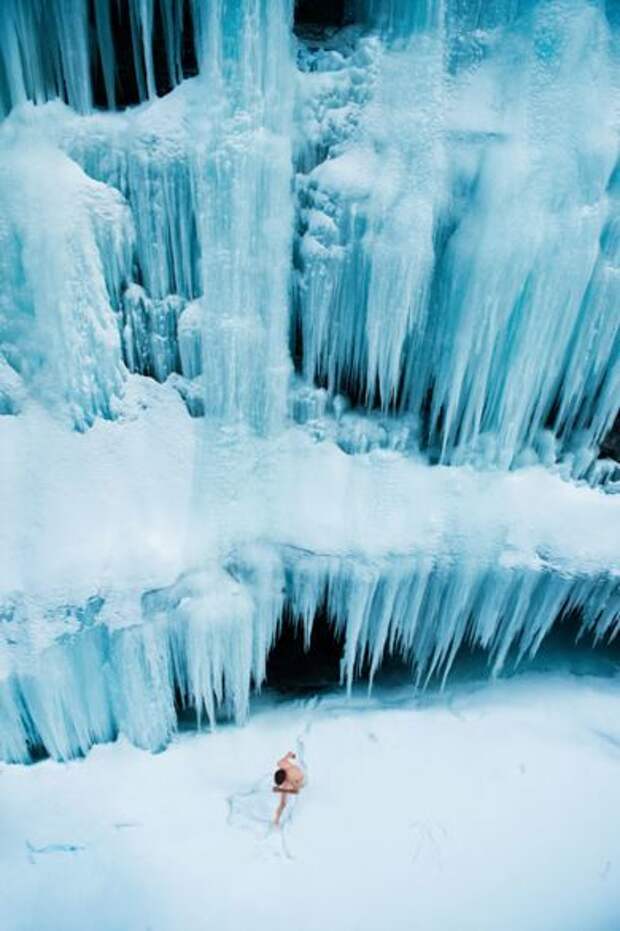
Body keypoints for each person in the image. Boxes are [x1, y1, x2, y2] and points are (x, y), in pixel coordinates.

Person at [272, 751, 305, 826]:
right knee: (283, 800)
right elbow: (289, 754)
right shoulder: (281, 763)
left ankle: (276, 820)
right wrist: (292, 755)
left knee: (283, 803)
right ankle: (277, 819)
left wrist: (281, 790)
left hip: (300, 778)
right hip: (295, 770)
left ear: (284, 780)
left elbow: (296, 790)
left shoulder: (290, 779)